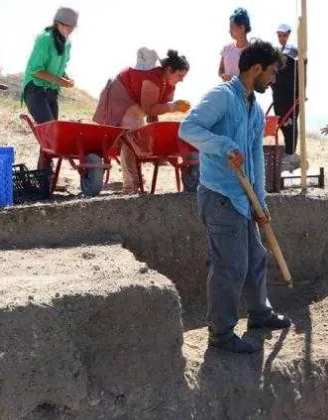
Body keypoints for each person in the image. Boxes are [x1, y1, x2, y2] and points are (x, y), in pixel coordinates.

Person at [179, 40, 292, 354]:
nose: (272, 80)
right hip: (221, 197)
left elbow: (255, 155)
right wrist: (224, 145)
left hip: (245, 199)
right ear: (255, 69)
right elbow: (188, 129)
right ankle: (221, 333)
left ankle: (259, 314)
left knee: (255, 259)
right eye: (270, 73)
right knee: (230, 267)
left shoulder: (253, 108)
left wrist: (261, 201)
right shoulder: (222, 97)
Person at [93, 50, 191, 193]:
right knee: (131, 137)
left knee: (138, 137)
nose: (182, 80)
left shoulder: (168, 82)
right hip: (120, 95)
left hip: (135, 101)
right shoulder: (151, 78)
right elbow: (149, 109)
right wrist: (173, 107)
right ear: (169, 70)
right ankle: (131, 185)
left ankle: (136, 180)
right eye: (180, 75)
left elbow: (156, 108)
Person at [22, 7, 78, 169]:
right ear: (57, 24)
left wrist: (66, 78)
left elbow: (60, 68)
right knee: (49, 131)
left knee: (52, 136)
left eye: (73, 27)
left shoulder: (67, 44)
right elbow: (35, 70)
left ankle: (45, 174)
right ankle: (46, 172)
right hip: (35, 90)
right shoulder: (44, 39)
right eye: (68, 26)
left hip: (51, 92)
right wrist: (59, 80)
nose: (71, 30)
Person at [271, 23, 305, 171]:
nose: (281, 38)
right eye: (279, 35)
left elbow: (302, 68)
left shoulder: (293, 51)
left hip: (291, 93)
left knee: (290, 121)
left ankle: (291, 154)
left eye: (284, 35)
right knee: (281, 121)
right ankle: (287, 154)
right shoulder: (275, 51)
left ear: (288, 35)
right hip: (278, 94)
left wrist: (301, 92)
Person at [218, 8, 251, 81]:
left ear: (242, 28)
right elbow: (220, 70)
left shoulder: (252, 50)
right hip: (227, 91)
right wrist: (223, 76)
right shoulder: (226, 48)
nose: (229, 31)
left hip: (245, 92)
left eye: (232, 27)